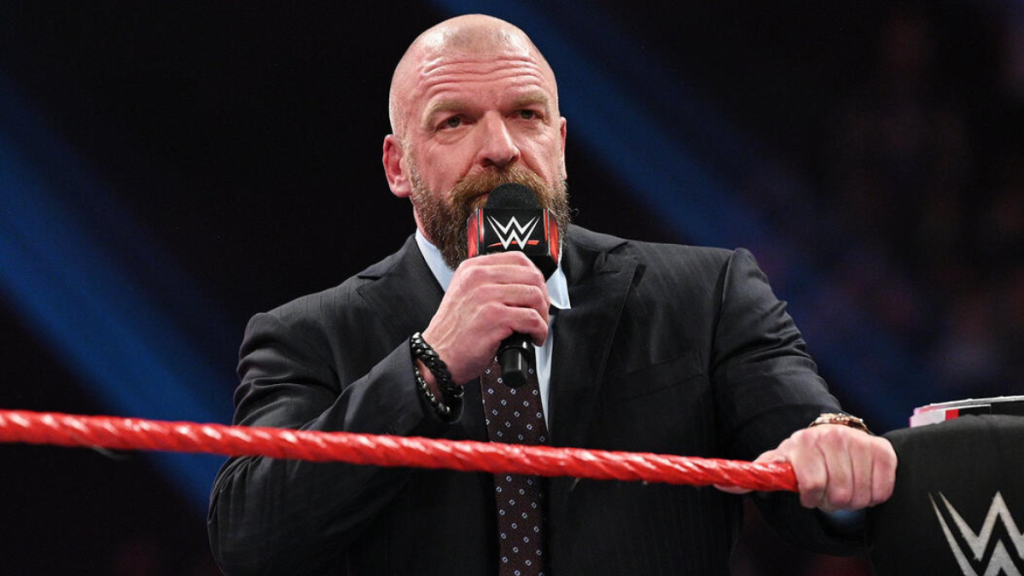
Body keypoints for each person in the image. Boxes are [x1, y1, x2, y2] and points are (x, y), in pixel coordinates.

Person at [208, 14, 897, 576]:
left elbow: (818, 463)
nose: (500, 147)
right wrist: (428, 365)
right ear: (398, 166)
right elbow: (251, 539)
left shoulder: (705, 295)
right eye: (454, 122)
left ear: (560, 143)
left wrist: (837, 458)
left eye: (526, 114)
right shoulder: (309, 337)